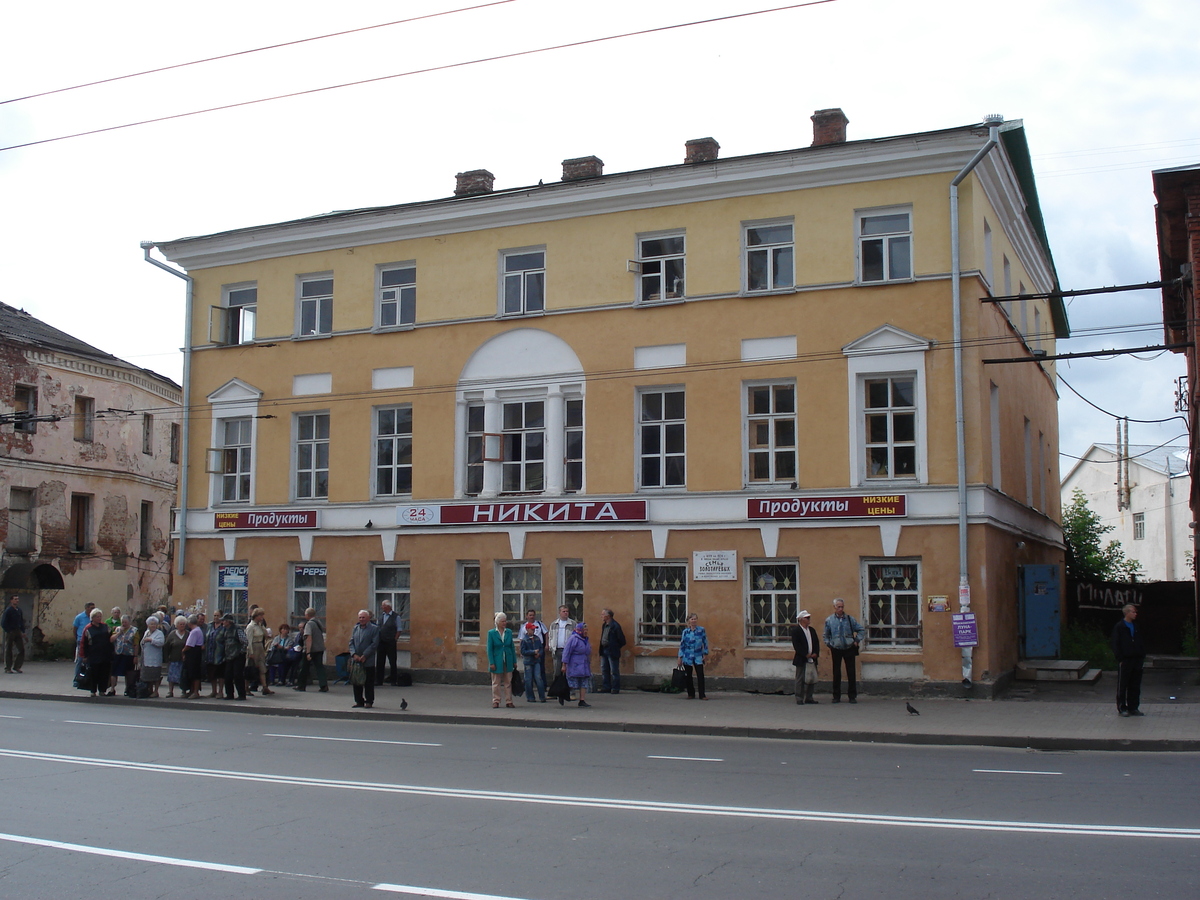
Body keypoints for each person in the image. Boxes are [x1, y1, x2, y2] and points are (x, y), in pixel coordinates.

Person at [823, 598, 865, 704]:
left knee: (851, 672)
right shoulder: (829, 620)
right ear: (834, 607)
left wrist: (856, 641)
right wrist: (829, 644)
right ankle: (836, 696)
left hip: (849, 647)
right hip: (836, 648)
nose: (840, 609)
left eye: (842, 607)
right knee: (836, 672)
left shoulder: (850, 619)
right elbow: (826, 635)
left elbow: (861, 630)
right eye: (838, 607)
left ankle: (852, 696)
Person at [1111, 603, 1146, 717]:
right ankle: (1122, 707)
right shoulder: (1120, 627)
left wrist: (1141, 656)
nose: (1135, 614)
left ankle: (1133, 707)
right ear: (1127, 613)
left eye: (1135, 612)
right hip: (1126, 659)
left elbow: (1141, 641)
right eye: (1133, 612)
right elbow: (1116, 643)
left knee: (1135, 685)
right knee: (1123, 684)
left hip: (1137, 659)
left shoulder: (1136, 626)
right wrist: (1120, 658)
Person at [349, 609, 380, 708]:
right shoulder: (356, 628)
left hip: (368, 660)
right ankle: (359, 701)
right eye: (360, 617)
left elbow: (374, 644)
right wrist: (354, 654)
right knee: (356, 681)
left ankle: (369, 701)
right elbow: (351, 643)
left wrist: (365, 655)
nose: (361, 619)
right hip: (356, 660)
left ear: (368, 618)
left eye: (363, 617)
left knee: (368, 682)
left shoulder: (374, 629)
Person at [80, 609, 113, 698]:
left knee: (104, 673)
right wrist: (84, 655)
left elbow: (110, 637)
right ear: (92, 618)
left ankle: (102, 690)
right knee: (94, 673)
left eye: (100, 616)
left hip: (105, 654)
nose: (99, 618)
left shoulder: (105, 626)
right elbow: (84, 643)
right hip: (93, 654)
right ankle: (93, 690)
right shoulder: (88, 628)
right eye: (97, 617)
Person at [294, 607, 328, 692]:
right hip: (320, 648)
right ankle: (323, 685)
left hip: (311, 649)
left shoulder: (309, 624)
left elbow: (308, 637)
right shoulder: (318, 622)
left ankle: (301, 685)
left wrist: (308, 652)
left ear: (307, 615)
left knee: (304, 667)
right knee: (319, 667)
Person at [486, 612, 516, 708]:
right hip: (497, 660)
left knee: (508, 682)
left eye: (505, 621)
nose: (504, 623)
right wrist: (491, 662)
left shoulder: (509, 632)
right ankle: (496, 700)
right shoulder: (491, 633)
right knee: (496, 682)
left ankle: (509, 701)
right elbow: (489, 649)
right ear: (497, 622)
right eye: (502, 621)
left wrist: (514, 661)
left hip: (508, 659)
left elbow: (512, 647)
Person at [790, 609, 820, 705]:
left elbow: (816, 643)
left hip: (812, 658)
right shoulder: (796, 631)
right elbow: (797, 645)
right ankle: (799, 697)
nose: (809, 619)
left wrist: (815, 653)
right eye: (807, 618)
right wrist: (805, 654)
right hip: (801, 658)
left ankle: (809, 697)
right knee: (800, 678)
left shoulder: (811, 630)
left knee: (811, 678)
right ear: (802, 619)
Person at [678, 613, 709, 700]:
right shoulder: (685, 632)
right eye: (692, 619)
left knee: (700, 674)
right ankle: (690, 693)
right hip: (687, 655)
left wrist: (705, 653)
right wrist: (680, 657)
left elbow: (705, 642)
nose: (694, 621)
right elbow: (682, 645)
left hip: (698, 655)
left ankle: (702, 694)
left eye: (695, 619)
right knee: (688, 675)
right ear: (688, 621)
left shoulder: (701, 630)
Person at [562, 621, 593, 707]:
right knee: (572, 683)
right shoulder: (573, 638)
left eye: (587, 630)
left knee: (584, 682)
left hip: (584, 664)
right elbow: (566, 652)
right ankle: (563, 694)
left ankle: (582, 700)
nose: (586, 632)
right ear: (580, 630)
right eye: (584, 630)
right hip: (574, 664)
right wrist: (564, 664)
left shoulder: (586, 640)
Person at [597, 608, 626, 694]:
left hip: (612, 650)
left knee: (614, 670)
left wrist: (615, 647)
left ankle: (615, 688)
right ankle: (606, 687)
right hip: (604, 649)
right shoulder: (604, 625)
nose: (601, 616)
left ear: (608, 616)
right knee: (604, 669)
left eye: (603, 615)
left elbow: (622, 640)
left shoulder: (615, 626)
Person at [245, 608, 273, 695]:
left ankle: (265, 687)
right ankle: (246, 688)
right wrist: (250, 652)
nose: (262, 617)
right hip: (253, 646)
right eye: (260, 615)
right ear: (256, 616)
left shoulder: (259, 625)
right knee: (250, 668)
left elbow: (266, 634)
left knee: (262, 667)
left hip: (260, 646)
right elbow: (248, 640)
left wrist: (261, 625)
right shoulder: (250, 626)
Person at [110, 614, 140, 697]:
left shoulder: (134, 630)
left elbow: (136, 644)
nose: (124, 624)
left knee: (129, 673)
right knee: (114, 672)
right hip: (118, 653)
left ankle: (128, 689)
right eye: (123, 622)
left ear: (129, 622)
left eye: (126, 622)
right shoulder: (118, 629)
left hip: (129, 654)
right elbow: (112, 639)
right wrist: (119, 632)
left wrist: (135, 656)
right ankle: (112, 688)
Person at [547, 604, 577, 685]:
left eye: (567, 611)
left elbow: (576, 638)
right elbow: (550, 636)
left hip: (568, 651)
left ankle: (570, 691)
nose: (566, 613)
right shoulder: (554, 624)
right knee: (557, 672)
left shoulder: (573, 624)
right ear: (559, 612)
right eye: (563, 611)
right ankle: (556, 691)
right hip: (557, 651)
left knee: (569, 671)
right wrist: (551, 647)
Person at [222, 613, 248, 700]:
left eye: (224, 621)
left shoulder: (237, 629)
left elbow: (245, 641)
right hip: (229, 656)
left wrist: (241, 652)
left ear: (229, 622)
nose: (223, 622)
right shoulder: (225, 630)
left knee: (238, 675)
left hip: (238, 656)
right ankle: (229, 694)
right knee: (227, 676)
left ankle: (241, 694)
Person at [519, 622, 547, 702]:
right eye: (532, 629)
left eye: (534, 629)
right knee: (528, 679)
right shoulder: (524, 640)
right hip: (528, 661)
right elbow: (523, 651)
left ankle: (542, 696)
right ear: (527, 630)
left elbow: (541, 648)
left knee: (538, 678)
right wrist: (533, 652)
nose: (534, 630)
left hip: (536, 661)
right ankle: (530, 697)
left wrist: (539, 654)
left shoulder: (537, 638)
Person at [375, 600, 400, 686]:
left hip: (390, 642)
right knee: (380, 661)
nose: (382, 607)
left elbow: (399, 629)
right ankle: (379, 680)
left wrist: (395, 639)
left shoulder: (396, 617)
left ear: (388, 607)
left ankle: (393, 680)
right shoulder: (381, 616)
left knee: (392, 661)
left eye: (383, 606)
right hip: (381, 641)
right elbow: (378, 628)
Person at [140, 615, 165, 697]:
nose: (153, 626)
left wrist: (151, 640)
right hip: (146, 657)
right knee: (148, 675)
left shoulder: (159, 633)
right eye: (151, 624)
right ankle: (149, 690)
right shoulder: (146, 632)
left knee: (156, 675)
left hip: (155, 658)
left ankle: (156, 691)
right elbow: (142, 642)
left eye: (154, 624)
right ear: (148, 625)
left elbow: (161, 643)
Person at [72, 602, 95, 687]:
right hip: (81, 641)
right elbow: (75, 629)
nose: (92, 610)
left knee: (89, 661)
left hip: (91, 641)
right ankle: (77, 679)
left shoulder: (93, 618)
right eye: (91, 608)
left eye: (93, 608)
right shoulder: (79, 617)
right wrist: (77, 639)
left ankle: (87, 678)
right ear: (87, 608)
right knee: (80, 660)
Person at [163, 616, 187, 697]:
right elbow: (166, 646)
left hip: (184, 660)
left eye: (184, 624)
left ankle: (184, 691)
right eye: (180, 624)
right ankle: (170, 691)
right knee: (171, 676)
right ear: (176, 625)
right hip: (173, 658)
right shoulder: (172, 634)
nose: (182, 626)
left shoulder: (188, 634)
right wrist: (166, 658)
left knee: (183, 676)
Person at [183, 614, 205, 699]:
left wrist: (183, 650)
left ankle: (195, 691)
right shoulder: (197, 630)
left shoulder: (194, 631)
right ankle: (192, 690)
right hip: (195, 652)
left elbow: (189, 644)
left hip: (194, 653)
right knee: (192, 672)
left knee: (194, 673)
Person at [2, 594, 26, 674]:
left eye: (18, 599)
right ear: (11, 601)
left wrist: (23, 631)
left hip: (18, 631)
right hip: (11, 631)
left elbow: (21, 622)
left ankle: (17, 666)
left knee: (21, 649)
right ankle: (8, 668)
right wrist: (8, 630)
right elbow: (3, 622)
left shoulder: (19, 610)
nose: (17, 600)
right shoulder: (8, 610)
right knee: (9, 649)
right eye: (15, 599)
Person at [205, 611, 225, 698]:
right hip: (210, 653)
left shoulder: (223, 627)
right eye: (214, 615)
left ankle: (220, 691)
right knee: (212, 673)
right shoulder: (210, 625)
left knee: (220, 673)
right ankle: (214, 691)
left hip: (219, 653)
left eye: (218, 616)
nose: (216, 617)